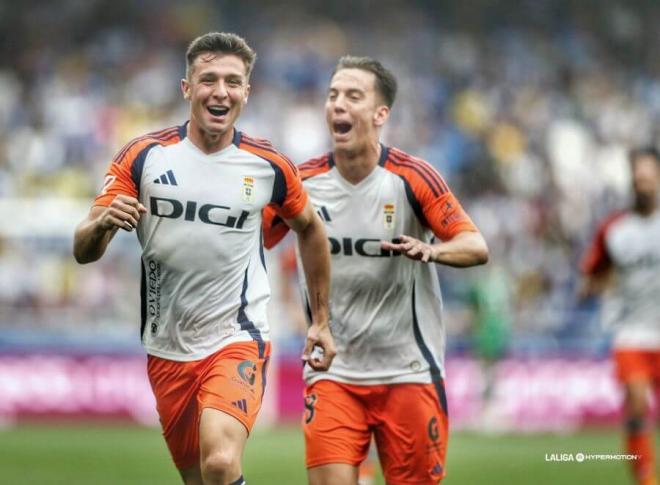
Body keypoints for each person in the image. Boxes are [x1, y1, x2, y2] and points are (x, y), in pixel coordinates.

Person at [73, 32, 335, 485]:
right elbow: (83, 250)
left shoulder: (268, 165)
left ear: (247, 92)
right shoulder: (143, 157)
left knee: (219, 462)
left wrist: (321, 319)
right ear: (187, 88)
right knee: (201, 479)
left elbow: (310, 228)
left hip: (238, 335)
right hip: (167, 347)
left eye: (233, 81)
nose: (220, 91)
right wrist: (101, 225)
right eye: (208, 79)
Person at [263, 56, 489, 484]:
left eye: (353, 96)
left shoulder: (412, 178)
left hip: (408, 371)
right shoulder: (301, 183)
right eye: (332, 96)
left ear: (380, 114)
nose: (338, 105)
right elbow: (251, 240)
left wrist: (431, 250)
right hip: (333, 371)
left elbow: (475, 245)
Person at [580, 147, 660, 485]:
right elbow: (592, 276)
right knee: (638, 403)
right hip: (632, 332)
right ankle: (644, 479)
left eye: (647, 176)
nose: (642, 183)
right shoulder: (613, 229)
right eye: (637, 177)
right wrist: (594, 287)